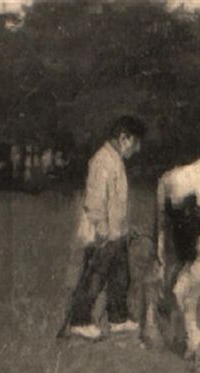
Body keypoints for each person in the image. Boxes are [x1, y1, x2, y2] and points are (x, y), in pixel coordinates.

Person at [66, 115, 147, 339]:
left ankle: (117, 318)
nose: (137, 149)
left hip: (116, 233)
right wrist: (102, 229)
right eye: (136, 142)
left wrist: (125, 228)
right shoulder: (102, 160)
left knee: (121, 277)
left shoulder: (116, 161)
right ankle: (79, 321)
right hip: (101, 234)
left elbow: (117, 203)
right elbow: (95, 201)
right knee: (94, 277)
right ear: (124, 138)